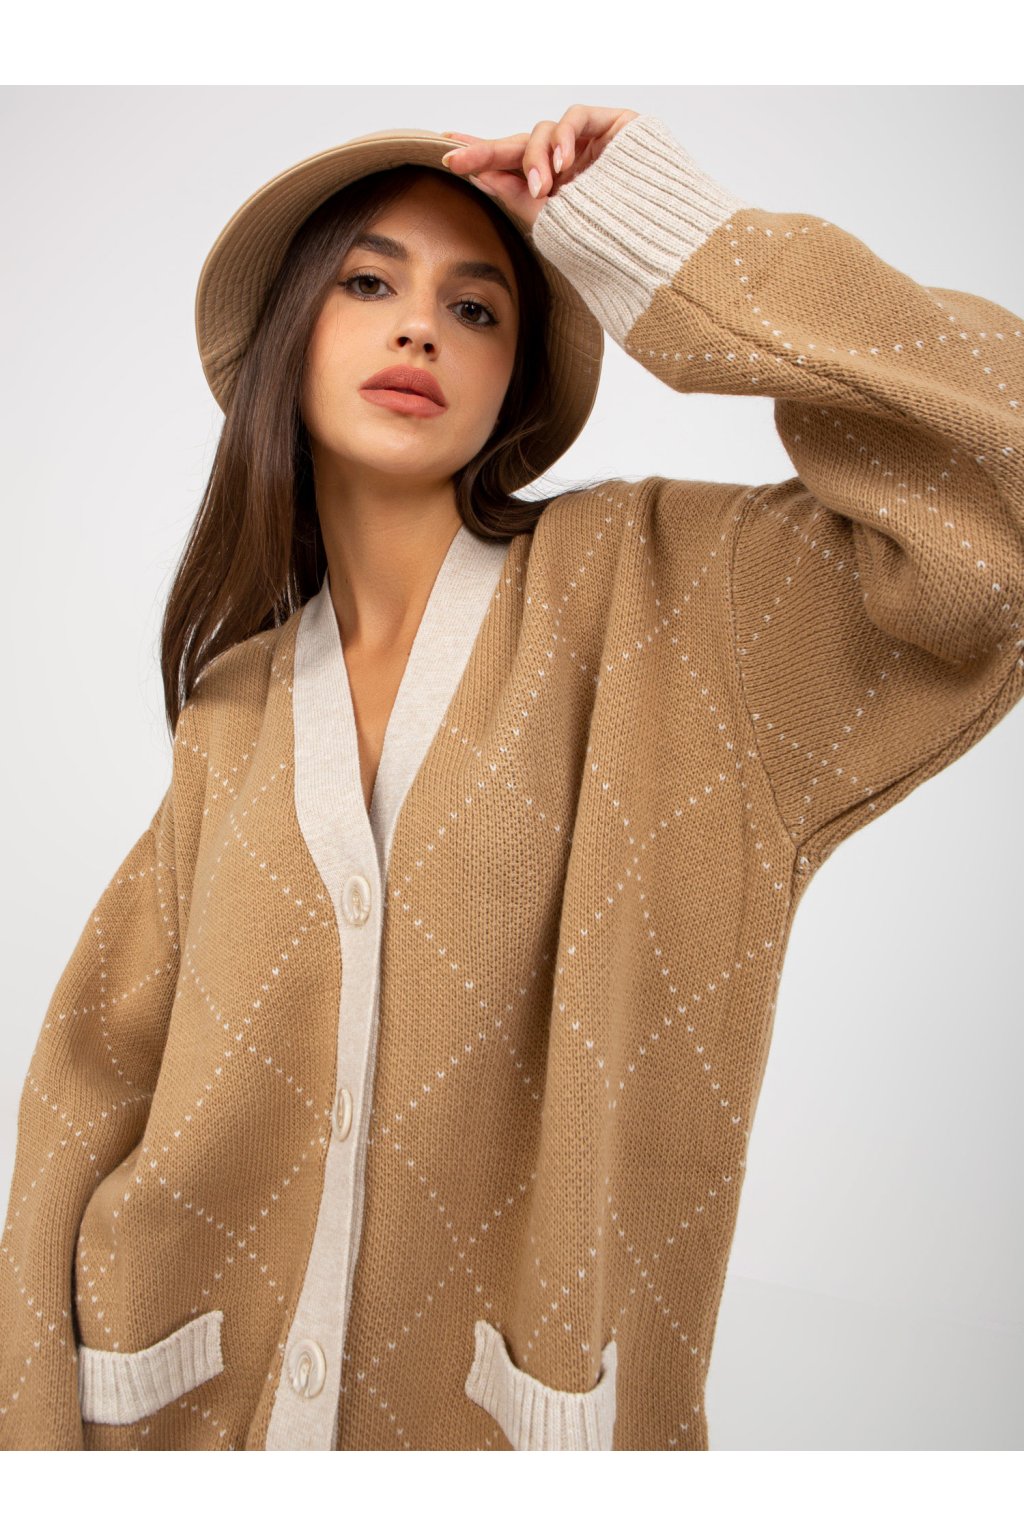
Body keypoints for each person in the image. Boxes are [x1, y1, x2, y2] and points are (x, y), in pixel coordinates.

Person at [1, 103, 1021, 1452]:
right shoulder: (235, 709)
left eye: (475, 308)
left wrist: (665, 242)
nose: (421, 328)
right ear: (290, 337)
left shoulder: (670, 605)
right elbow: (87, 1096)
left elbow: (998, 492)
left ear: (515, 384)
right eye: (369, 285)